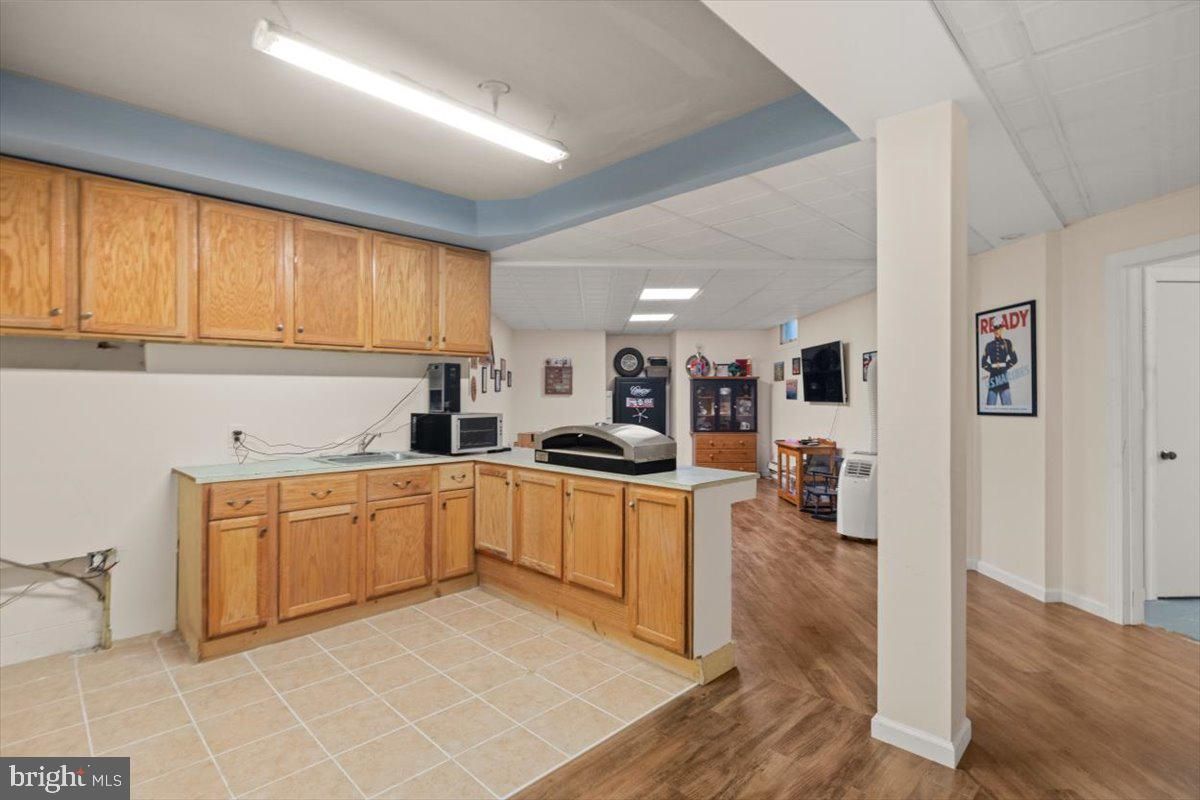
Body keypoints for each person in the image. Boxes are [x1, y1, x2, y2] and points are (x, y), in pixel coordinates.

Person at [981, 321, 1018, 406]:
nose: (997, 331)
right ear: (993, 330)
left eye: (999, 329)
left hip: (1003, 379)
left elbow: (1014, 359)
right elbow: (983, 363)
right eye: (995, 329)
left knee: (1008, 407)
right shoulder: (989, 345)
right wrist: (992, 368)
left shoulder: (1007, 343)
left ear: (1003, 329)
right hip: (993, 379)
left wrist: (1004, 366)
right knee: (990, 407)